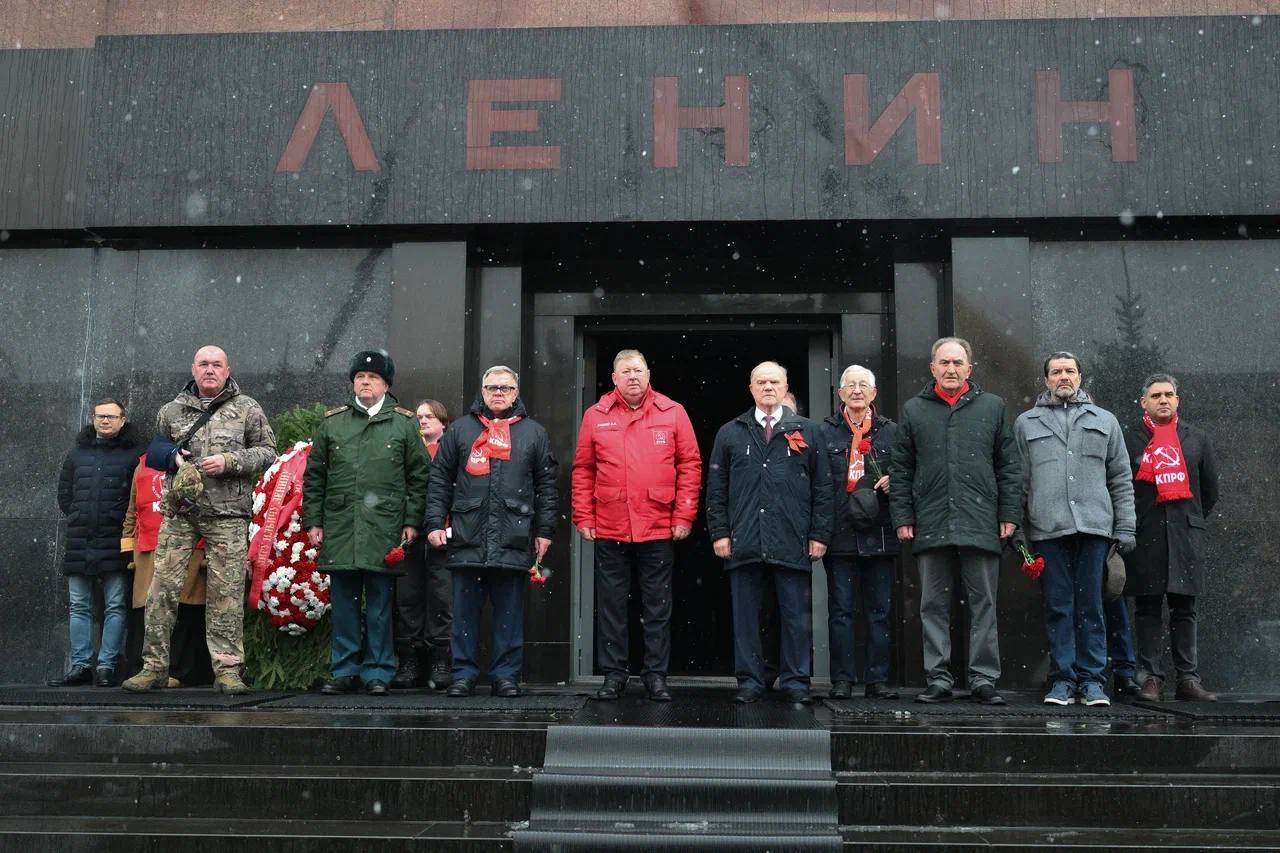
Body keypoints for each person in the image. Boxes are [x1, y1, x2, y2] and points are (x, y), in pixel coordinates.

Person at [122, 346, 276, 694]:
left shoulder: (247, 408)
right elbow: (155, 451)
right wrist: (173, 457)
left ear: (227, 370)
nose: (210, 370)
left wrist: (230, 461)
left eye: (216, 365)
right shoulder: (172, 410)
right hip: (180, 513)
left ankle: (228, 670)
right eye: (204, 364)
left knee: (226, 594)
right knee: (161, 591)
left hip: (227, 515)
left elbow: (269, 452)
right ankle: (154, 668)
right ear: (193, 369)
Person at [889, 337, 1021, 706]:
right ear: (932, 368)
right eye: (944, 363)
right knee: (932, 605)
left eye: (957, 363)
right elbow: (901, 469)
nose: (951, 369)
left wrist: (1009, 514)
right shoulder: (914, 410)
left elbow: (1009, 467)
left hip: (981, 521)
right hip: (931, 521)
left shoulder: (993, 407)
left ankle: (983, 679)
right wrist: (903, 516)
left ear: (969, 369)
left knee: (984, 605)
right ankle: (938, 678)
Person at [573, 349, 701, 702]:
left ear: (648, 374)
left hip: (658, 524)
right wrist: (584, 515)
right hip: (610, 524)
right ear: (614, 378)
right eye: (625, 371)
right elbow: (583, 469)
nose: (633, 376)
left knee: (657, 606)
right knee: (612, 605)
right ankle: (614, 675)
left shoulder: (672, 412)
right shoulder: (596, 415)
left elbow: (690, 465)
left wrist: (684, 515)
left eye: (638, 370)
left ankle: (656, 675)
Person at [425, 366, 558, 698]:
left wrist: (545, 531)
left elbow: (547, 487)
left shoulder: (534, 432)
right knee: (464, 614)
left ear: (516, 393)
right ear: (482, 392)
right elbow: (439, 480)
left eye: (505, 388)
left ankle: (505, 677)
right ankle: (462, 675)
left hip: (514, 535)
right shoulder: (460, 430)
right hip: (466, 534)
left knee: (509, 616)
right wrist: (434, 523)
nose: (498, 393)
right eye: (492, 387)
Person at [304, 351, 431, 696]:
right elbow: (315, 477)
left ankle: (378, 671)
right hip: (341, 524)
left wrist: (412, 521)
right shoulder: (333, 423)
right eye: (360, 377)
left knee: (379, 605)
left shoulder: (404, 424)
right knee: (344, 604)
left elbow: (419, 477)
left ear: (386, 385)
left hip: (384, 526)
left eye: (373, 377)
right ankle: (344, 670)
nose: (365, 382)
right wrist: (313, 520)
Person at [706, 361, 832, 705]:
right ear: (751, 389)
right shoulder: (730, 432)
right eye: (761, 382)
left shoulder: (809, 431)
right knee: (747, 618)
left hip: (793, 538)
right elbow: (716, 489)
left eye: (775, 382)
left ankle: (795, 681)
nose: (768, 387)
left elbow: (823, 488)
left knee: (795, 616)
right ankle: (750, 681)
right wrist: (720, 532)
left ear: (785, 386)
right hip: (744, 539)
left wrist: (819, 534)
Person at [1014, 352, 1136, 707]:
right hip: (1047, 530)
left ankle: (1093, 681)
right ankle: (1062, 680)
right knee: (1058, 607)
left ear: (1080, 377)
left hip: (1095, 529)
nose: (1063, 377)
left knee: (1092, 608)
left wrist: (1126, 527)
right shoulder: (1026, 423)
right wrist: (1016, 528)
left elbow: (1120, 478)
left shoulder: (1105, 421)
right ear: (1046, 379)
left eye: (1069, 371)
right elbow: (1018, 481)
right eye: (1056, 372)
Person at [1122, 373, 1220, 702]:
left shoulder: (1197, 439)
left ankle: (1188, 679)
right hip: (1146, 534)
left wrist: (1187, 520)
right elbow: (1121, 487)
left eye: (1168, 394)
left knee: (1184, 608)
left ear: (1177, 400)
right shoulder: (1129, 439)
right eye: (1156, 395)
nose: (1163, 400)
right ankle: (1151, 678)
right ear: (1143, 402)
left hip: (1185, 535)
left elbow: (1209, 491)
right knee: (1147, 607)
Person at [821, 365, 900, 700]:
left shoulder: (892, 432)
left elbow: (910, 472)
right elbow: (818, 485)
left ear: (874, 393)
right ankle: (842, 679)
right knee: (841, 612)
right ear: (840, 394)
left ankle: (877, 679)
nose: (857, 390)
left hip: (880, 533)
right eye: (850, 385)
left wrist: (896, 479)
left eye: (863, 385)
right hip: (840, 534)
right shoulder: (824, 432)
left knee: (879, 612)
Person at [49, 399, 141, 687]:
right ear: (93, 418)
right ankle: (80, 666)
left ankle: (106, 666)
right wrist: (79, 516)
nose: (105, 421)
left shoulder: (134, 455)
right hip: (80, 539)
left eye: (111, 416)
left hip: (116, 539)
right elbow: (65, 495)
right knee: (79, 605)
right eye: (101, 416)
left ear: (123, 420)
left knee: (115, 605)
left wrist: (115, 519)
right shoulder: (77, 454)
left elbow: (137, 497)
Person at [121, 454, 212, 686]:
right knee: (147, 608)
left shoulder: (201, 459)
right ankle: (144, 667)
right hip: (148, 550)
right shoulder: (143, 463)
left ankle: (176, 670)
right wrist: (128, 550)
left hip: (188, 547)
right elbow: (132, 510)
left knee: (183, 609)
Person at [391, 399, 455, 690]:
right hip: (410, 535)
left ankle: (441, 661)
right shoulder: (405, 450)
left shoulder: (451, 450)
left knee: (442, 599)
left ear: (443, 422)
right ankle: (410, 660)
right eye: (419, 417)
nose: (423, 421)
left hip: (443, 535)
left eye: (430, 416)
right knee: (408, 599)